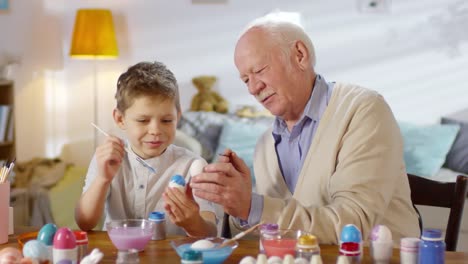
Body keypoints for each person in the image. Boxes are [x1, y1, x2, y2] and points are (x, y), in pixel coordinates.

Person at [190, 13, 420, 244]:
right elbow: (271, 235)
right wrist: (240, 205)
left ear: (300, 55)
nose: (253, 88)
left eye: (259, 70)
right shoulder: (265, 145)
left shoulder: (363, 110)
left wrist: (253, 206)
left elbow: (353, 226)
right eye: (245, 79)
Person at [75, 61, 217, 237]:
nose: (156, 131)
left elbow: (211, 233)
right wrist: (103, 179)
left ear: (178, 118)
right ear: (120, 119)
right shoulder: (106, 159)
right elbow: (84, 222)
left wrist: (194, 223)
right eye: (143, 121)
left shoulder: (193, 166)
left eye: (166, 120)